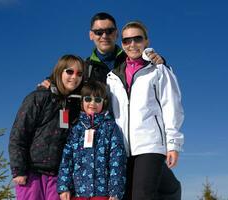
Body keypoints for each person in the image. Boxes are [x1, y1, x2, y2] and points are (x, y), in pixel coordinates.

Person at [41, 12, 182, 200]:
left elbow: (166, 94)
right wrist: (51, 81)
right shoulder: (87, 67)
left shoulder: (131, 58)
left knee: (156, 189)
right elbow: (69, 78)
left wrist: (159, 60)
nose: (104, 36)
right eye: (98, 32)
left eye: (108, 31)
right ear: (91, 35)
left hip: (144, 139)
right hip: (108, 142)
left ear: (116, 34)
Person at [106, 21, 184, 200]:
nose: (132, 44)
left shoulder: (158, 70)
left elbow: (171, 106)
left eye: (137, 39)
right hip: (122, 148)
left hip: (150, 144)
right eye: (126, 41)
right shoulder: (112, 77)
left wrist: (173, 144)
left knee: (142, 196)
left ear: (146, 41)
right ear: (122, 44)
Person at [9, 54, 84, 200]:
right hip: (32, 173)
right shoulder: (39, 98)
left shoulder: (74, 106)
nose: (74, 77)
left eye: (79, 74)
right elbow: (19, 134)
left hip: (57, 176)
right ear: (59, 71)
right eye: (69, 71)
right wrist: (18, 170)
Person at [57, 81, 126, 200]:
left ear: (103, 103)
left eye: (97, 100)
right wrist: (64, 187)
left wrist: (115, 191)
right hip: (78, 192)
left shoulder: (110, 127)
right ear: (82, 101)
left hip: (103, 193)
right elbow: (66, 159)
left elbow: (117, 159)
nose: (92, 103)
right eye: (88, 99)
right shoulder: (76, 129)